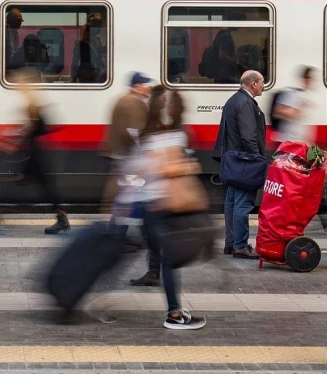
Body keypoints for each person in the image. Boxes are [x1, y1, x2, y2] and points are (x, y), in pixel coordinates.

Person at [128, 86, 207, 330]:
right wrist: (182, 166)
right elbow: (181, 168)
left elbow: (138, 170)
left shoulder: (145, 135)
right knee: (170, 260)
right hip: (167, 206)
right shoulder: (178, 136)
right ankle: (173, 314)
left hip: (150, 204)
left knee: (161, 256)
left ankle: (174, 310)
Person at [130, 89, 185, 287]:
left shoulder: (154, 130)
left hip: (157, 198)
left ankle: (173, 309)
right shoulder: (176, 130)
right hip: (163, 197)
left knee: (156, 241)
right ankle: (155, 275)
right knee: (157, 242)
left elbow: (143, 166)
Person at [213, 70, 265, 259]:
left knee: (232, 203)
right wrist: (258, 158)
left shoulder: (233, 100)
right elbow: (249, 136)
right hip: (245, 162)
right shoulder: (245, 103)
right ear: (253, 84)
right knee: (243, 204)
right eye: (261, 83)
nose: (263, 86)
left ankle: (231, 243)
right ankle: (241, 246)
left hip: (233, 161)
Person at [11, 68, 68, 234]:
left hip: (38, 154)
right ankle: (61, 219)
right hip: (37, 152)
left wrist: (20, 136)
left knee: (45, 187)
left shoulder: (32, 103)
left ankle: (62, 220)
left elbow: (35, 128)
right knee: (44, 187)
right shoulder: (33, 102)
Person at [102, 72, 152, 207]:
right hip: (125, 154)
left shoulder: (127, 100)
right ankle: (117, 222)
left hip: (120, 153)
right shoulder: (132, 103)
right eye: (146, 85)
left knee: (123, 189)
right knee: (125, 191)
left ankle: (116, 219)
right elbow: (135, 132)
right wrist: (144, 153)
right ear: (137, 87)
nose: (148, 88)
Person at [272, 66, 314, 145]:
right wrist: (299, 108)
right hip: (289, 142)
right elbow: (278, 111)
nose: (310, 80)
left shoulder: (307, 95)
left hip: (301, 142)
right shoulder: (292, 93)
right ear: (303, 79)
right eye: (308, 77)